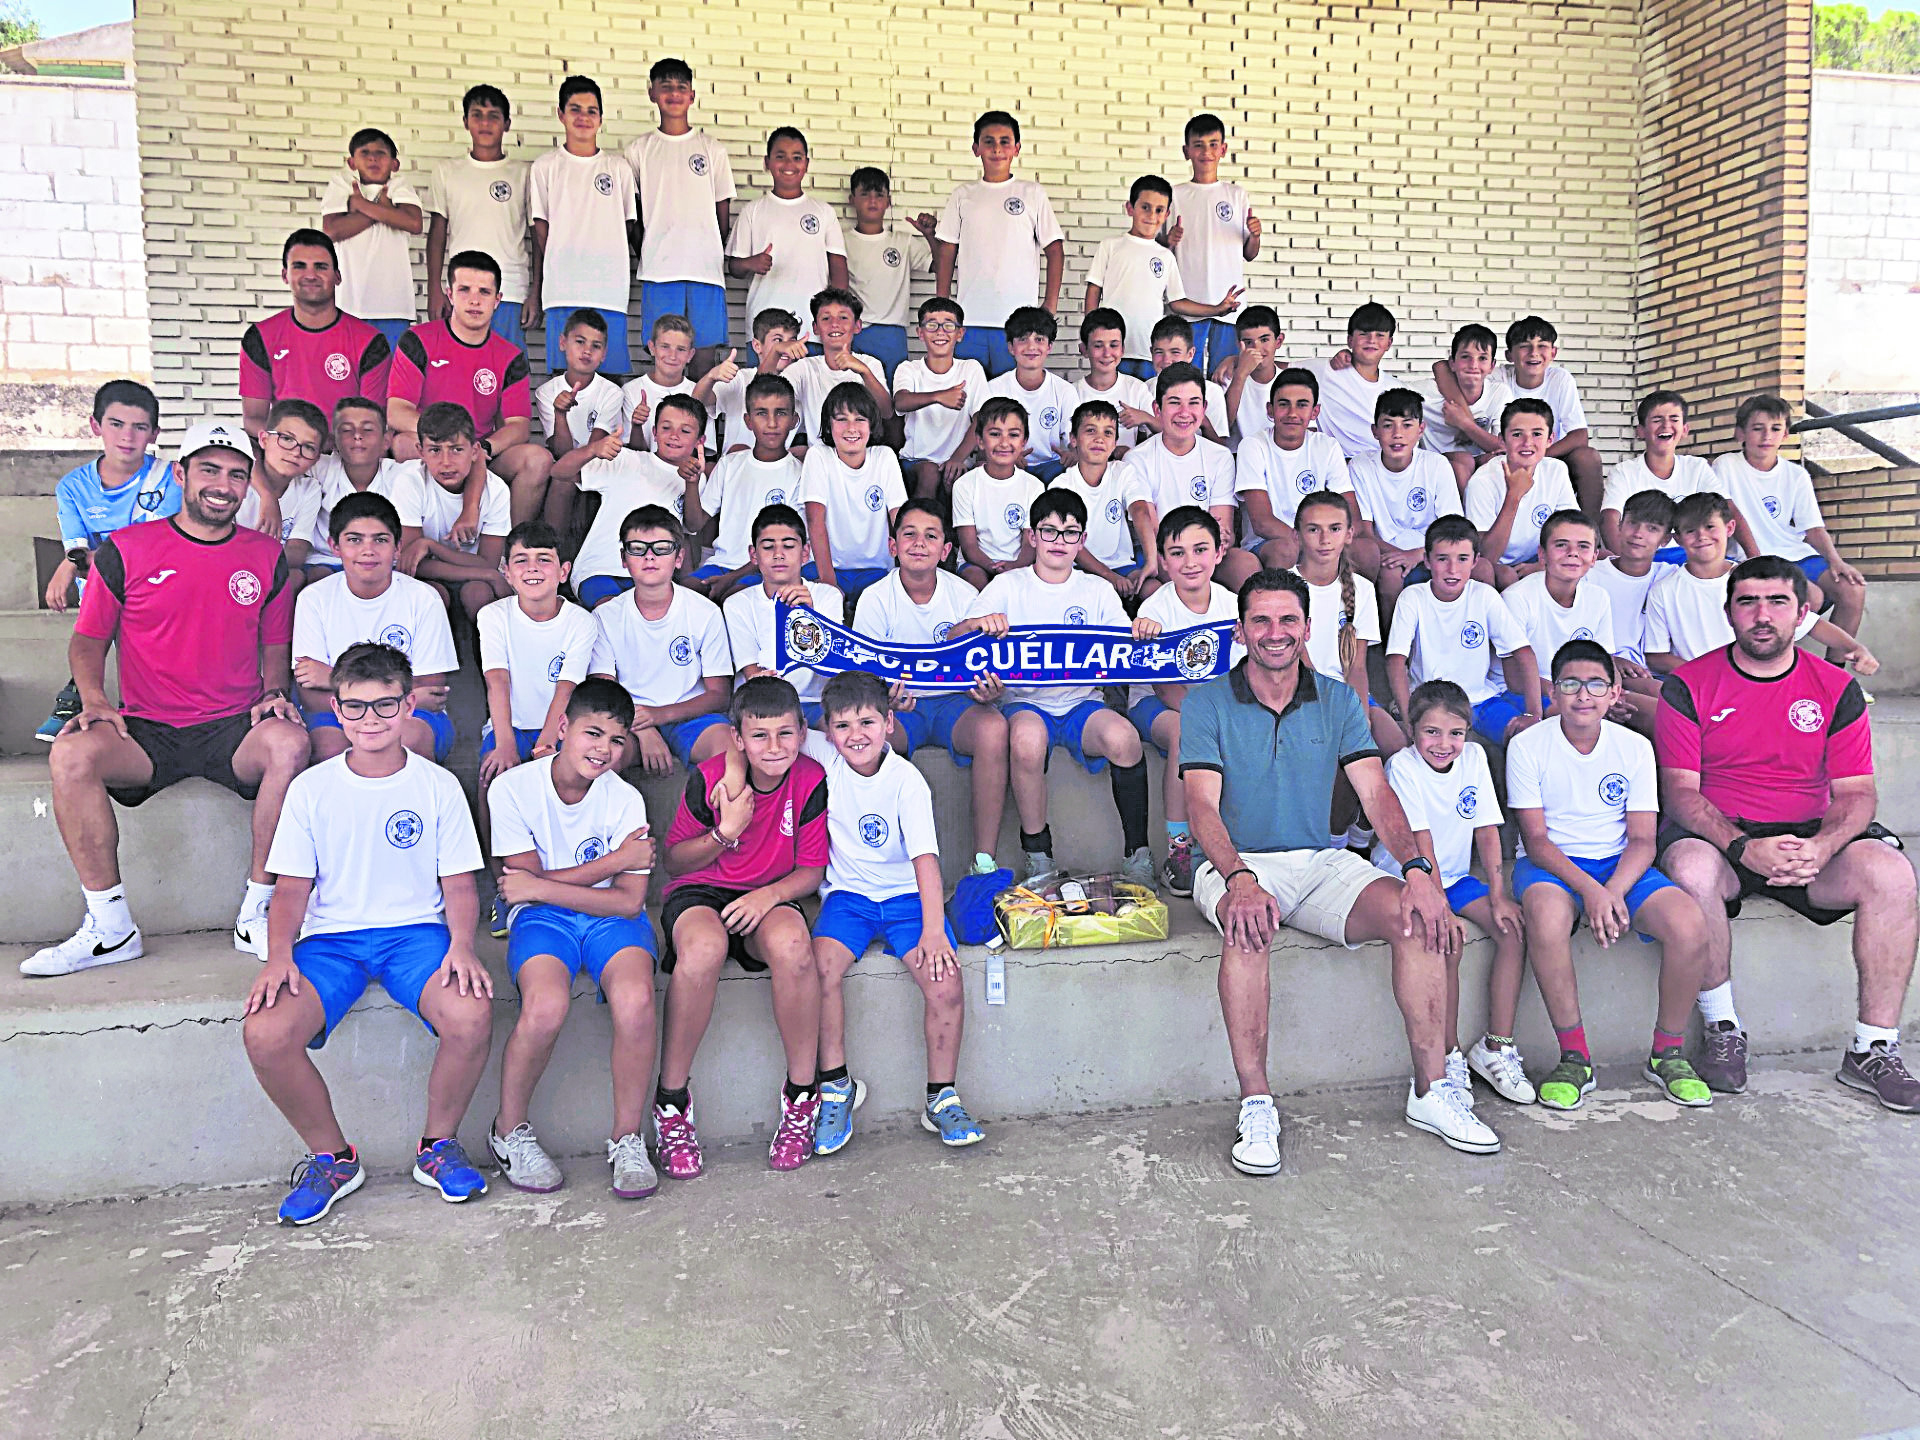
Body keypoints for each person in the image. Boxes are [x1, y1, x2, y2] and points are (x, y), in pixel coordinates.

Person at [1182, 568, 1494, 1171]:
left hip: (1318, 859)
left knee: (1416, 914)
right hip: (1236, 863)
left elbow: (1376, 795)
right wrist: (1239, 879)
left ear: (1306, 628)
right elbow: (1201, 805)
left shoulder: (1340, 699)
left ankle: (1431, 1092)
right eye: (1261, 621)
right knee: (1248, 928)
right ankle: (1257, 1105)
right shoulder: (1207, 702)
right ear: (1241, 631)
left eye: (1288, 620)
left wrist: (1419, 871)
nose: (1275, 633)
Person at [23, 421, 309, 977]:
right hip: (147, 728)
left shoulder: (265, 555)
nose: (222, 485)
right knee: (70, 753)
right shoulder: (127, 549)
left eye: (235, 474)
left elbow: (275, 642)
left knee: (290, 744)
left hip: (232, 726)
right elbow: (87, 641)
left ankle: (259, 911)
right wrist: (94, 698)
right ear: (180, 474)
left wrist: (274, 692)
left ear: (248, 486)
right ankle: (110, 926)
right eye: (209, 470)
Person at [1654, 555, 1918, 1111]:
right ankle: (1723, 1030)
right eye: (1747, 601)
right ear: (1728, 613)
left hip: (1807, 841)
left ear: (1802, 613)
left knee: (1893, 873)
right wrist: (1743, 847)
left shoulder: (1834, 687)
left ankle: (1873, 1049)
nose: (1762, 615)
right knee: (1690, 868)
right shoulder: (1689, 684)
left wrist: (1821, 848)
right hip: (1723, 840)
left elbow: (1857, 795)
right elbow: (1680, 792)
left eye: (1777, 602)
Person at [243, 641, 492, 1225]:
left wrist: (462, 945)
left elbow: (458, 884)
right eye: (355, 707)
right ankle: (332, 1159)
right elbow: (291, 890)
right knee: (266, 1033)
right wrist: (279, 956)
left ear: (409, 707)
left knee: (472, 1013)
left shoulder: (436, 786)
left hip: (416, 935)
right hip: (332, 941)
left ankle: (438, 1146)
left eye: (385, 706)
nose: (370, 721)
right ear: (335, 708)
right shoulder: (312, 788)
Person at [1506, 639, 1715, 1110]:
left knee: (1689, 925)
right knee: (1545, 918)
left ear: (1616, 691)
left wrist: (1614, 890)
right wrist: (1592, 893)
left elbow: (1643, 839)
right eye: (1571, 684)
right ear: (1554, 692)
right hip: (1553, 865)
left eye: (1596, 683)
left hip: (1622, 864)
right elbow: (1537, 841)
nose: (1583, 695)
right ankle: (1574, 1057)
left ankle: (1667, 1053)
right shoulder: (1528, 745)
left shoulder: (1635, 747)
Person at [487, 678, 660, 1198]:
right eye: (591, 734)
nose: (602, 751)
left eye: (615, 741)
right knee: (544, 1005)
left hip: (612, 918)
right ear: (562, 728)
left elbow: (629, 901)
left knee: (635, 1000)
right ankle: (508, 1131)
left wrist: (540, 886)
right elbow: (523, 892)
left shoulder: (625, 798)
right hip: (546, 922)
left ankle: (628, 1139)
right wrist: (614, 864)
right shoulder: (513, 788)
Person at [657, 676, 830, 1177]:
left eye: (784, 734)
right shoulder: (712, 777)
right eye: (759, 736)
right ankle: (671, 1103)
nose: (773, 748)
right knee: (704, 948)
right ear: (737, 738)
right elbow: (675, 862)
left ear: (802, 731)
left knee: (795, 945)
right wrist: (723, 833)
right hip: (702, 890)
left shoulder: (811, 780)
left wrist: (769, 895)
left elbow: (811, 871)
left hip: (769, 892)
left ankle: (801, 1098)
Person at [807, 670, 984, 1157]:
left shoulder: (907, 780)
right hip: (849, 899)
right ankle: (837, 1087)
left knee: (945, 980)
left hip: (908, 899)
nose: (855, 735)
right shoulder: (825, 760)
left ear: (889, 723)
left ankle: (941, 1097)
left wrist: (933, 928)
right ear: (827, 733)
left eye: (867, 722)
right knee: (818, 969)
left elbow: (926, 860)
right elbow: (774, 733)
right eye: (842, 726)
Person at [949, 488, 1157, 888]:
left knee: (1126, 739)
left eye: (1069, 533)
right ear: (1032, 537)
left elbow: (1125, 648)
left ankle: (1138, 855)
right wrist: (978, 626)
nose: (1059, 542)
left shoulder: (1096, 590)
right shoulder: (1008, 586)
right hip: (1024, 702)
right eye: (1049, 531)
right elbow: (954, 638)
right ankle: (1038, 855)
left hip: (1082, 704)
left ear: (1082, 540)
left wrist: (1143, 632)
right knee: (1026, 741)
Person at [1372, 680, 1531, 1105]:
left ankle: (1495, 1046)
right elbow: (1421, 845)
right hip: (1408, 879)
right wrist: (1438, 906)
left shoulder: (1475, 758)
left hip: (1457, 877)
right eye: (1432, 732)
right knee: (1448, 942)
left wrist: (1498, 892)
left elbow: (1487, 829)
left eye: (1456, 733)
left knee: (1513, 930)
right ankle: (1449, 1054)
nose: (1445, 744)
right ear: (1412, 729)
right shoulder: (1402, 767)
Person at [853, 498, 1012, 876]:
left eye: (930, 536)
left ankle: (983, 862)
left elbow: (986, 667)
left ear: (945, 550)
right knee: (869, 736)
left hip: (952, 706)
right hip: (900, 709)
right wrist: (883, 699)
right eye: (908, 534)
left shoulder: (965, 596)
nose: (919, 543)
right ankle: (882, 867)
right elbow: (864, 678)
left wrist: (990, 691)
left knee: (993, 728)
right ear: (893, 547)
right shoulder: (875, 598)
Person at [477, 520, 601, 933]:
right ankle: (505, 887)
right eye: (521, 560)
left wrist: (549, 742)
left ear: (563, 571)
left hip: (563, 726)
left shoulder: (580, 621)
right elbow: (498, 680)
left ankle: (567, 881)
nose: (533, 569)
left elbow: (568, 686)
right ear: (505, 571)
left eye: (544, 560)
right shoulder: (493, 615)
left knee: (572, 776)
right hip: (507, 722)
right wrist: (506, 743)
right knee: (494, 778)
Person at [39, 381, 177, 742]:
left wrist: (72, 563)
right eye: (116, 424)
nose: (127, 436)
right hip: (102, 588)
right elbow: (76, 544)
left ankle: (86, 694)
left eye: (139, 427)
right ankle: (86, 697)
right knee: (106, 597)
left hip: (157, 583)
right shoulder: (73, 486)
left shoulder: (169, 478)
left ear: (154, 434)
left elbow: (149, 547)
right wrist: (72, 561)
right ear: (95, 425)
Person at [387, 250, 553, 529]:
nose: (474, 300)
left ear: (497, 300)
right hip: (433, 447)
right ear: (450, 294)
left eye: (484, 292)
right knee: (403, 443)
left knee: (537, 459)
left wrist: (482, 447)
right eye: (465, 290)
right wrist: (447, 440)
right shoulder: (418, 340)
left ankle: (509, 550)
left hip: (481, 452)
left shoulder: (510, 355)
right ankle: (419, 536)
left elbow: (518, 425)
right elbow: (396, 410)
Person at [292, 492, 459, 763]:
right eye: (354, 540)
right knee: (327, 747)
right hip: (336, 714)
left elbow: (432, 691)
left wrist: (334, 679)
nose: (367, 550)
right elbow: (310, 696)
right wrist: (396, 697)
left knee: (410, 738)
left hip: (409, 715)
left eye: (380, 540)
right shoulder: (314, 599)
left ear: (397, 547)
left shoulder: (424, 597)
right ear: (335, 546)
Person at [1129, 507, 1243, 897]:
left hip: (1217, 706)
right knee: (1186, 733)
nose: (1190, 562)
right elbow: (1163, 689)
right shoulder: (1156, 609)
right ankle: (1180, 851)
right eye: (1177, 553)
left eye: (1200, 550)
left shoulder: (1233, 606)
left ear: (1219, 552)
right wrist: (1213, 719)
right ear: (1162, 561)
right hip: (1158, 707)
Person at [1713, 393, 1868, 661]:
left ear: (1785, 434)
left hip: (1794, 553)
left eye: (1775, 429)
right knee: (1811, 598)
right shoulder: (1726, 465)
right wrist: (1757, 560)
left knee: (1852, 588)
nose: (1766, 436)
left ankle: (1833, 677)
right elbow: (1729, 514)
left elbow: (1813, 527)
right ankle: (1777, 669)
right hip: (1749, 556)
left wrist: (1836, 561)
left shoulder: (1796, 475)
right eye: (1757, 428)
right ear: (1741, 433)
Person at [1644, 492, 1872, 674]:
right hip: (1700, 689)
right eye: (1690, 530)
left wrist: (1854, 647)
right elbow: (1656, 656)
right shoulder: (1664, 590)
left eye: (1710, 527)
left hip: (1759, 682)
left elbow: (1811, 625)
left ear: (1730, 528)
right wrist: (1705, 674)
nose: (1702, 536)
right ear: (1678, 538)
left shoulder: (1755, 580)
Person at [587, 505, 735, 773]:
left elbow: (719, 695)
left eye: (662, 548)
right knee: (598, 755)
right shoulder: (605, 617)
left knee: (730, 752)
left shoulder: (705, 613)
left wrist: (659, 716)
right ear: (623, 558)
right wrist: (644, 728)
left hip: (691, 717)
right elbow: (604, 691)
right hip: (626, 719)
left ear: (679, 557)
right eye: (637, 548)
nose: (650, 557)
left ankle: (719, 816)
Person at [1385, 515, 1542, 746]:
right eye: (1442, 559)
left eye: (1462, 559)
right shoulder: (1413, 597)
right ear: (1427, 561)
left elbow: (1524, 653)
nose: (1452, 569)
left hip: (1481, 700)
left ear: (1475, 561)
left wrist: (1533, 714)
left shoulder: (1484, 595)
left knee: (1526, 740)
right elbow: (1395, 661)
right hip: (1430, 702)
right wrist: (1409, 717)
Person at [624, 57, 737, 371]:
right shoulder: (638, 150)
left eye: (680, 87)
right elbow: (631, 213)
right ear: (652, 93)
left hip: (705, 271)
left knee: (703, 362)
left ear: (692, 95)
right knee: (665, 363)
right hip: (660, 272)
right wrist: (647, 248)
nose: (673, 93)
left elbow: (722, 212)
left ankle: (701, 421)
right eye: (665, 86)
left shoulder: (712, 149)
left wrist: (710, 248)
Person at [934, 110, 1064, 378]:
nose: (997, 148)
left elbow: (1055, 250)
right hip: (970, 319)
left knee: (1012, 402)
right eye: (989, 141)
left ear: (1016, 148)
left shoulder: (1032, 193)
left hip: (1017, 323)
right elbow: (947, 250)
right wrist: (943, 302)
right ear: (976, 148)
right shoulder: (963, 195)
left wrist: (1049, 305)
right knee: (969, 399)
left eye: (1005, 141)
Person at [1437, 315, 1604, 516]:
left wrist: (1535, 455)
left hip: (1547, 453)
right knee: (1479, 461)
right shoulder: (1498, 376)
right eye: (1525, 346)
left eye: (1542, 346)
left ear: (1553, 352)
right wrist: (1466, 419)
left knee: (1588, 457)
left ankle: (1589, 530)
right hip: (1504, 453)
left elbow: (1579, 436)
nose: (1534, 353)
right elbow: (1441, 367)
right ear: (1509, 355)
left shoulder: (1560, 379)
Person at [529, 76, 638, 376]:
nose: (583, 117)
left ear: (601, 119)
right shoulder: (545, 167)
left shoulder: (619, 168)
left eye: (591, 110)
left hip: (609, 291)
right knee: (564, 383)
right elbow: (541, 231)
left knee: (608, 383)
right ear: (561, 114)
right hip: (563, 289)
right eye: (575, 109)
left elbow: (627, 226)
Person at [239, 229, 391, 443]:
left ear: (337, 276)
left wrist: (323, 445)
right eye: (299, 266)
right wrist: (295, 443)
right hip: (287, 451)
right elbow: (254, 418)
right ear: (285, 275)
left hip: (345, 453)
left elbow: (370, 421)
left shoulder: (370, 341)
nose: (310, 275)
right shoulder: (260, 337)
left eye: (320, 267)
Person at [1084, 175, 1243, 377]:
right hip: (1112, 350)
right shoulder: (1110, 246)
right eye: (1145, 207)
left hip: (1149, 352)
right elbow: (1093, 291)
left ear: (1167, 214)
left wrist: (1216, 309)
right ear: (1130, 208)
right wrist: (1089, 336)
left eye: (1159, 210)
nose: (1152, 215)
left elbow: (1177, 302)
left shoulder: (1165, 256)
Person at [1291, 489, 1402, 757]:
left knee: (1396, 747)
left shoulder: (1361, 589)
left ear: (1349, 534)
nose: (1325, 539)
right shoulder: (1283, 587)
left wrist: (1360, 715)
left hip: (1347, 695)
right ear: (1297, 536)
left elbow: (1356, 667)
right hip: (1298, 695)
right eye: (1313, 529)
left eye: (1335, 528)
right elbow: (1301, 665)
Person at [1125, 362, 1256, 588]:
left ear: (1204, 408)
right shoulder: (1137, 459)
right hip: (1163, 553)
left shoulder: (1220, 457)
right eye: (1174, 403)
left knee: (1245, 565)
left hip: (1207, 552)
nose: (1185, 413)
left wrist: (1216, 544)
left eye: (1193, 403)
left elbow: (1223, 527)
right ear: (1157, 409)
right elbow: (1152, 531)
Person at [570, 393, 706, 605]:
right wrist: (592, 449)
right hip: (598, 569)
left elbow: (693, 525)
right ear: (654, 432)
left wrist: (691, 483)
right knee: (613, 613)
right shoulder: (627, 459)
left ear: (700, 441)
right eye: (666, 427)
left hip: (651, 576)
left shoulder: (697, 477)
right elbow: (560, 472)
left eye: (685, 431)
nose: (674, 435)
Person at [425, 84, 532, 346]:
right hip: (462, 288)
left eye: (493, 115)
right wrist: (435, 290)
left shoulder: (523, 173)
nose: (485, 123)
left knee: (506, 366)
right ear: (465, 121)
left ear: (507, 124)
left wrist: (535, 293)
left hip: (510, 289)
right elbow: (437, 234)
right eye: (477, 115)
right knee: (460, 367)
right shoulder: (447, 171)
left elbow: (538, 239)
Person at [390, 402, 512, 626]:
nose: (446, 462)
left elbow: (488, 562)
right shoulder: (410, 482)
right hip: (432, 575)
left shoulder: (496, 491)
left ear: (474, 451)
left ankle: (482, 660)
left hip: (474, 576)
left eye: (457, 449)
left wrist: (432, 547)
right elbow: (411, 564)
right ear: (420, 452)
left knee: (479, 594)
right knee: (430, 595)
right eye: (435, 450)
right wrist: (487, 574)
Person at [1347, 387, 1467, 610]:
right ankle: (1391, 643)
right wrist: (1400, 556)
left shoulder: (1436, 465)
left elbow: (1452, 529)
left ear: (1421, 429)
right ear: (1374, 430)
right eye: (1388, 425)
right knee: (1392, 575)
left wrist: (1417, 555)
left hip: (1434, 551)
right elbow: (1364, 531)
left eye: (1407, 425)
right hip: (1386, 553)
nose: (1397, 434)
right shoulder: (1360, 467)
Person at [723, 504, 843, 724]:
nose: (778, 555)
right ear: (753, 555)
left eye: (788, 546)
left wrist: (809, 617)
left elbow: (834, 666)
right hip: (761, 703)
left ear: (805, 552)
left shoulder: (827, 597)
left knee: (840, 726)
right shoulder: (737, 604)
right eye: (768, 547)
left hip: (816, 703)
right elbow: (753, 673)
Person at [725, 127, 848, 343]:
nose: (789, 164)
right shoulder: (752, 211)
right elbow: (734, 267)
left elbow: (839, 273)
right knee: (767, 379)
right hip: (765, 329)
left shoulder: (824, 212)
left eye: (797, 157)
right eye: (780, 157)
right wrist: (751, 263)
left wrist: (834, 321)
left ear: (806, 164)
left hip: (813, 328)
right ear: (767, 162)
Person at [1163, 113, 1261, 374]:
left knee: (1225, 377)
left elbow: (1249, 254)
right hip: (1187, 305)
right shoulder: (1175, 195)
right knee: (1185, 378)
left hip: (1228, 306)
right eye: (1198, 144)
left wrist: (1256, 236)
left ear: (1223, 149)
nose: (1206, 151)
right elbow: (1160, 251)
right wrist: (1167, 240)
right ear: (1186, 151)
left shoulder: (1236, 195)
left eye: (1213, 144)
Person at [1599, 390, 1747, 558]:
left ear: (1685, 429)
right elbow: (1609, 519)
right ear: (1640, 431)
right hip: (1646, 559)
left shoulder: (1696, 467)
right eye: (1657, 420)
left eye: (1674, 419)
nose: (1666, 426)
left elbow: (1728, 510)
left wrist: (1755, 558)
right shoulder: (1624, 472)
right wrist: (1625, 564)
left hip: (1692, 558)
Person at [1234, 366, 1353, 571]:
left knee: (1365, 551)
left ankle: (1353, 602)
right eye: (1284, 404)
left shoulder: (1327, 446)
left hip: (1320, 541)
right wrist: (1311, 544)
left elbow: (1349, 510)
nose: (1292, 413)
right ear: (1270, 409)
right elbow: (1262, 522)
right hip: (1266, 544)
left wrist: (1326, 542)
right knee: (1286, 549)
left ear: (1315, 411)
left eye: (1302, 405)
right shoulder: (1253, 445)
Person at [796, 381, 906, 602]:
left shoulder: (884, 457)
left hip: (877, 571)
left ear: (871, 425)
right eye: (841, 419)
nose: (851, 428)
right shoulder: (819, 456)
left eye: (860, 419)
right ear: (828, 425)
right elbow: (815, 520)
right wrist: (828, 582)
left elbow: (901, 519)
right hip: (828, 568)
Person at [695, 372, 801, 597]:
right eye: (762, 413)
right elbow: (695, 523)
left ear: (794, 421)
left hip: (766, 571)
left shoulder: (800, 474)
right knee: (686, 592)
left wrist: (731, 579)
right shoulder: (730, 464)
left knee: (736, 596)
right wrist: (690, 482)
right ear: (748, 421)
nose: (772, 423)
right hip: (721, 563)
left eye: (780, 413)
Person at [318, 127, 423, 347]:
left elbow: (414, 223)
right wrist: (386, 212)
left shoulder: (399, 184)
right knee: (352, 373)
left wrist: (362, 206)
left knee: (391, 374)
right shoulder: (343, 184)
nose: (373, 158)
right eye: (364, 152)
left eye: (381, 153)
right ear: (351, 162)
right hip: (350, 303)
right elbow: (332, 230)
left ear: (395, 164)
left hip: (395, 304)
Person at [1463, 398, 1579, 587]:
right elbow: (1487, 555)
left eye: (1537, 434)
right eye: (1517, 434)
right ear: (1502, 440)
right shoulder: (1482, 481)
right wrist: (1513, 496)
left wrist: (1545, 564)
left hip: (1541, 560)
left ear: (1550, 439)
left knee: (1599, 560)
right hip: (1500, 566)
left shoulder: (1556, 470)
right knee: (1506, 575)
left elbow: (1571, 529)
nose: (1527, 443)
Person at [1051, 399, 1155, 597]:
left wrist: (1151, 561)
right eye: (1091, 431)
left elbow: (1140, 510)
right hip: (1078, 570)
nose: (1099, 439)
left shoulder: (1123, 471)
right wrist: (1110, 578)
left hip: (1122, 566)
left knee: (1153, 591)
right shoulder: (1062, 485)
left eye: (1108, 432)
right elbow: (1071, 543)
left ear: (1115, 442)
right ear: (1073, 439)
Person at [844, 167, 936, 385]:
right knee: (859, 400)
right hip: (857, 330)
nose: (872, 201)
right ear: (852, 199)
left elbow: (940, 266)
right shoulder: (841, 241)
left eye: (879, 195)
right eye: (865, 194)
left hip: (892, 333)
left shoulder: (902, 242)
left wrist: (929, 235)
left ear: (888, 201)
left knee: (893, 400)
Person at [895, 297, 988, 497]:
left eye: (948, 325)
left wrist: (957, 458)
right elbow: (901, 402)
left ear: (960, 333)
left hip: (959, 460)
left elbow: (981, 419)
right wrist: (938, 396)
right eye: (931, 325)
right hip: (916, 460)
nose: (940, 332)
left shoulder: (970, 368)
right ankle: (919, 525)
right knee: (929, 473)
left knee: (961, 481)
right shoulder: (909, 369)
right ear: (920, 333)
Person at [974, 306, 1078, 481]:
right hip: (1007, 464)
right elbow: (983, 445)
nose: (1031, 347)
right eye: (1023, 339)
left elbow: (1072, 440)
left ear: (1049, 347)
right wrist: (1007, 457)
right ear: (1010, 347)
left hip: (1052, 467)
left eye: (1039, 339)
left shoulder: (1064, 390)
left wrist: (1072, 454)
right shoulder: (993, 389)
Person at [304, 397, 402, 576]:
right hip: (325, 561)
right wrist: (267, 496)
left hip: (384, 564)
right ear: (333, 440)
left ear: (386, 440)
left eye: (368, 429)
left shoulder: (400, 475)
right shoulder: (319, 467)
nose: (357, 435)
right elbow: (260, 458)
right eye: (347, 430)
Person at [534, 309, 628, 495]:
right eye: (580, 342)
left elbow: (595, 450)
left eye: (596, 346)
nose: (587, 351)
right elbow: (561, 453)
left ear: (604, 354)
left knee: (569, 475)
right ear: (562, 342)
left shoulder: (612, 392)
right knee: (564, 477)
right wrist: (560, 414)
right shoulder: (546, 392)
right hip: (565, 469)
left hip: (600, 466)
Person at [951, 397, 1041, 587]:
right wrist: (993, 567)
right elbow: (969, 547)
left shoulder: (1034, 486)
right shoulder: (965, 485)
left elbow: (1030, 544)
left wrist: (1015, 566)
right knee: (978, 581)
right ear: (980, 441)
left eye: (1013, 435)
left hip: (1018, 564)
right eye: (995, 434)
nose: (1004, 443)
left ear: (1024, 442)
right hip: (976, 563)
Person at [1419, 323, 1508, 487]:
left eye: (1482, 358)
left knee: (1501, 461)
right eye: (1465, 357)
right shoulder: (1428, 392)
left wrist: (1464, 423)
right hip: (1438, 464)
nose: (1473, 365)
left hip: (1479, 461)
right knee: (1463, 460)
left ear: (1492, 366)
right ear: (1452, 362)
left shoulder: (1499, 392)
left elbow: (1504, 446)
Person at [619, 314, 722, 456]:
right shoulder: (631, 390)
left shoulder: (699, 392)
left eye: (680, 349)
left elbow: (702, 454)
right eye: (665, 347)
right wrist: (637, 425)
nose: (672, 356)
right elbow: (632, 455)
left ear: (690, 355)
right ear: (652, 348)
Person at [707, 306, 805, 454]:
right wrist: (710, 377)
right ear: (757, 346)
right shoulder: (740, 378)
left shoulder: (801, 382)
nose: (786, 346)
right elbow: (700, 401)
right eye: (778, 340)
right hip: (736, 469)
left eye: (791, 341)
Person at [1310, 302, 1400, 459]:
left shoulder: (1396, 388)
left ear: (1389, 343)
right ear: (1350, 340)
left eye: (1380, 335)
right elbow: (1273, 368)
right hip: (1339, 467)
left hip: (1382, 467)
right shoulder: (1326, 370)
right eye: (1364, 333)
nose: (1371, 340)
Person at [1072, 308, 1156, 453]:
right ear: (1084, 349)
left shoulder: (1136, 389)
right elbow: (1067, 446)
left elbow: (1168, 434)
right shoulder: (1071, 393)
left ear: (1123, 349)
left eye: (1113, 345)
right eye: (1098, 345)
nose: (1107, 353)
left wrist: (1146, 418)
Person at [1148, 316, 1230, 443]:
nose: (1166, 360)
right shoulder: (1145, 389)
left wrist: (1204, 423)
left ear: (1190, 354)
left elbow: (1221, 447)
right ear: (1151, 352)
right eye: (1159, 352)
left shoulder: (1212, 391)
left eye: (1175, 352)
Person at [1219, 304, 1283, 452]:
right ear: (1238, 344)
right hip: (1238, 459)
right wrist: (1241, 374)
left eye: (1264, 340)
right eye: (1248, 342)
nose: (1256, 348)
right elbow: (1222, 428)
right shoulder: (1227, 377)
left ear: (1278, 341)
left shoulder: (1289, 381)